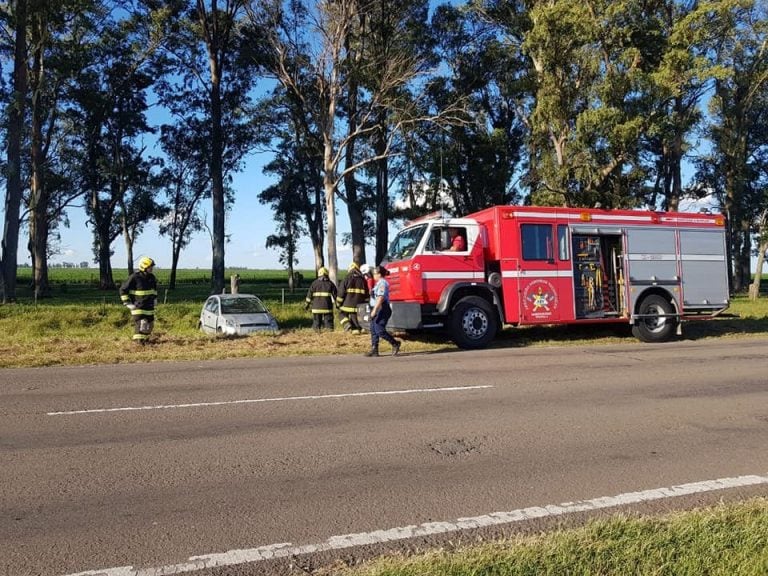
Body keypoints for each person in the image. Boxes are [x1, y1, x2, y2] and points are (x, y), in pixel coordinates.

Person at [119, 256, 158, 345]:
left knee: (150, 325)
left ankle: (145, 341)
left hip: (149, 307)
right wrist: (127, 303)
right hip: (138, 306)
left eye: (152, 267)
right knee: (142, 324)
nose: (151, 268)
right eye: (150, 267)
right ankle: (139, 343)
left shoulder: (152, 277)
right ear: (144, 267)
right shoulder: (134, 277)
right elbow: (123, 290)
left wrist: (155, 299)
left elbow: (154, 290)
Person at [365, 265, 401, 357]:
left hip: (382, 308)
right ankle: (374, 350)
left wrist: (374, 311)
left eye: (374, 274)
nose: (373, 275)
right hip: (376, 307)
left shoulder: (382, 283)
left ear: (379, 274)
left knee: (379, 330)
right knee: (373, 330)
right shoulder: (378, 283)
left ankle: (395, 343)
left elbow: (380, 298)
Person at [336, 262, 369, 334]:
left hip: (347, 305)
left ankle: (346, 324)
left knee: (341, 314)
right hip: (359, 305)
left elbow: (341, 293)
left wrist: (338, 304)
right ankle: (356, 329)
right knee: (354, 316)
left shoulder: (346, 278)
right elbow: (367, 294)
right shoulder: (363, 280)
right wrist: (365, 304)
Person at [305, 266, 337, 332]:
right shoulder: (330, 284)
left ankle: (316, 336)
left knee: (316, 323)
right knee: (329, 324)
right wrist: (338, 305)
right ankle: (329, 335)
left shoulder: (314, 283)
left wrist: (306, 305)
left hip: (316, 308)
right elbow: (336, 296)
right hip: (327, 308)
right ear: (327, 274)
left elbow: (309, 296)